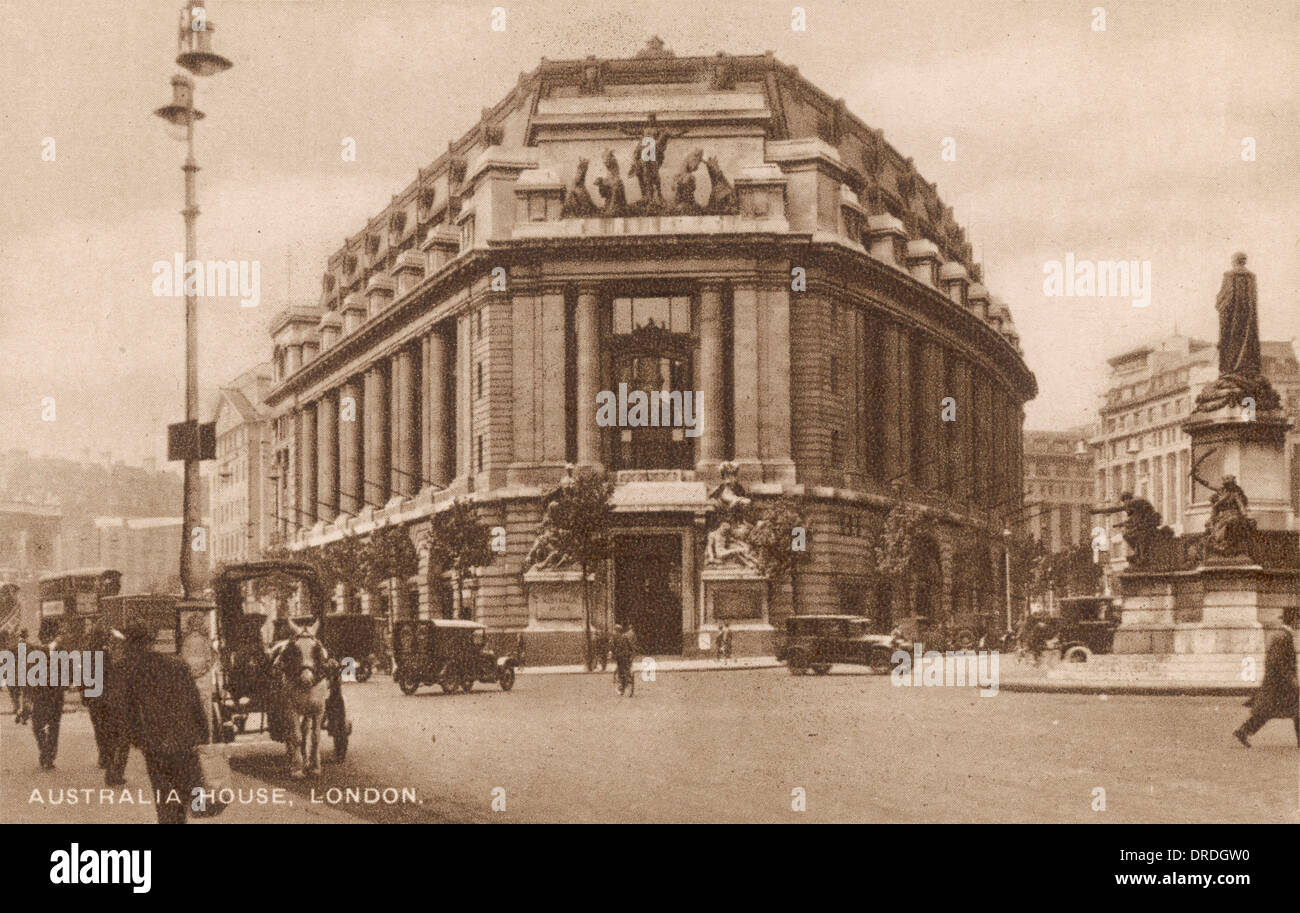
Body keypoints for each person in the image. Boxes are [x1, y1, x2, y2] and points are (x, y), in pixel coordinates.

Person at [120, 622, 209, 824]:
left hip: (156, 744)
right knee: (182, 791)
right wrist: (203, 735)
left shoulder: (135, 672)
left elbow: (130, 711)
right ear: (151, 643)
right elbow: (196, 703)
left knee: (164, 795)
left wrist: (139, 740)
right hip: (185, 740)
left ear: (132, 646)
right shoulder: (177, 664)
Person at [1234, 624, 1299, 748]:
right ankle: (1243, 731)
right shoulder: (1283, 637)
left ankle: (1243, 731)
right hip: (1280, 685)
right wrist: (1291, 680)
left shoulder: (1282, 635)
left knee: (1267, 712)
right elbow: (1278, 661)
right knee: (1293, 711)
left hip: (1278, 684)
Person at [28, 623, 65, 770]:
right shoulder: (60, 650)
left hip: (40, 695)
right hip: (55, 695)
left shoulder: (35, 651)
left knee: (37, 725)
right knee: (53, 727)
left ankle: (45, 751)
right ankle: (48, 755)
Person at [611, 624, 638, 697]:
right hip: (627, 656)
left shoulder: (614, 637)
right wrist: (632, 653)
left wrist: (613, 655)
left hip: (620, 657)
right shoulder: (625, 637)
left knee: (620, 672)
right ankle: (629, 678)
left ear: (616, 630)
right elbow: (630, 646)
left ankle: (621, 688)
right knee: (627, 668)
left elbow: (613, 647)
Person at [10, 628, 29, 723]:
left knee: (15, 695)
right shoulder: (30, 647)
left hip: (15, 674)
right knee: (25, 695)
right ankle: (22, 715)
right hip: (26, 674)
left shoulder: (13, 648)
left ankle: (18, 711)